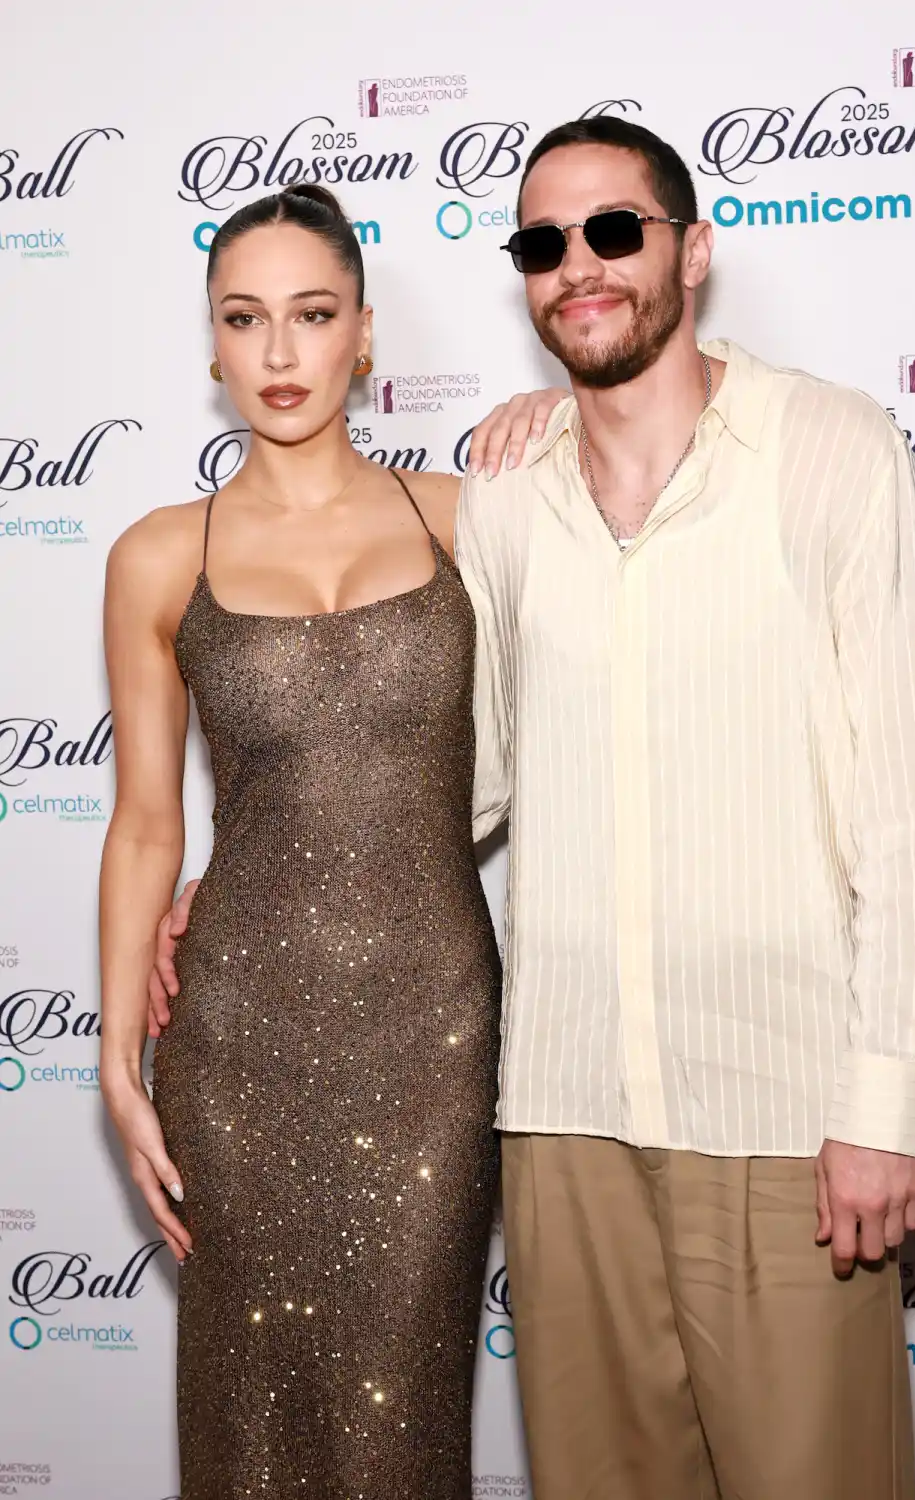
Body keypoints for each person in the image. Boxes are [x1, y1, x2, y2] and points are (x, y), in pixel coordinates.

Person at [149, 119, 915, 1499]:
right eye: (543, 242)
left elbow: (911, 810)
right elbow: (460, 771)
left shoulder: (832, 449)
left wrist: (883, 1106)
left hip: (779, 1113)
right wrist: (262, 878)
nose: (578, 265)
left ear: (691, 251)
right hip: (561, 1119)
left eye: (615, 230)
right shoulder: (508, 501)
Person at [98, 181, 561, 1500]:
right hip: (237, 1039)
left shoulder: (466, 517)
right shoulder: (156, 556)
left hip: (434, 1038)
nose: (280, 352)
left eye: (312, 315)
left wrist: (557, 417)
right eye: (245, 318)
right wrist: (117, 1058)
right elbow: (146, 822)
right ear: (213, 344)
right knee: (248, 1426)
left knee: (401, 1426)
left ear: (364, 335)